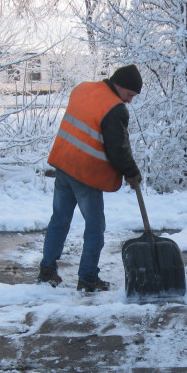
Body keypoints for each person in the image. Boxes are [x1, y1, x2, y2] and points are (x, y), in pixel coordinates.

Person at [38, 64, 144, 291]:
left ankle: (47, 270)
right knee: (95, 227)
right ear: (118, 85)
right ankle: (87, 278)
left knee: (59, 219)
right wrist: (132, 172)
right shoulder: (115, 108)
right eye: (129, 95)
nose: (129, 101)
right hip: (85, 173)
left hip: (63, 164)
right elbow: (119, 149)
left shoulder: (83, 88)